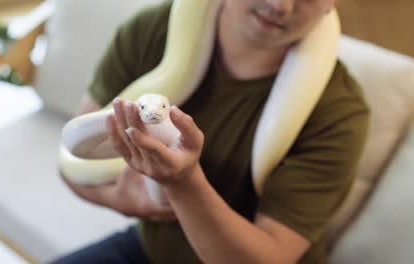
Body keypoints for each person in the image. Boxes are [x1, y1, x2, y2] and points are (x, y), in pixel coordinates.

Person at [52, 0, 369, 263]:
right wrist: (118, 198)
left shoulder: (339, 113)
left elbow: (271, 257)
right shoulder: (153, 29)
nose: (280, 5)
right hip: (152, 251)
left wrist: (184, 183)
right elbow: (72, 158)